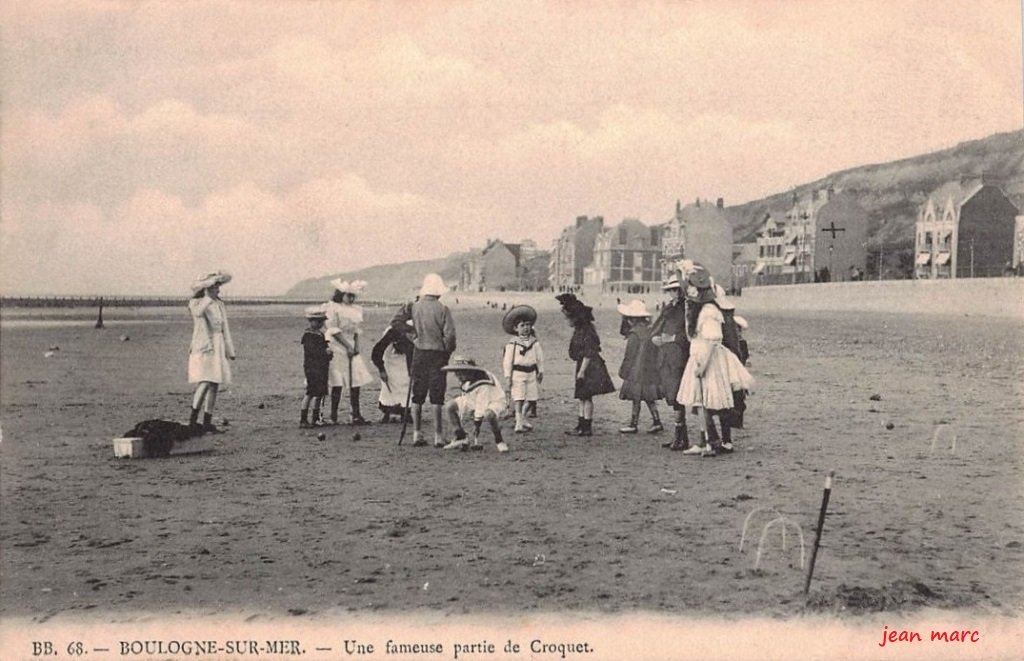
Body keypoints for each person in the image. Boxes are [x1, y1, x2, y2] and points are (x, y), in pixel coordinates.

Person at [676, 272, 755, 456]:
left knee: (709, 400)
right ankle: (707, 441)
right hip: (699, 357)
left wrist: (703, 365)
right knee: (700, 401)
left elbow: (713, 340)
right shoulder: (697, 311)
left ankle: (714, 441)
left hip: (709, 360)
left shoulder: (709, 312)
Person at [409, 273, 457, 447]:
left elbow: (396, 322)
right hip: (438, 355)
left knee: (418, 395)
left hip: (419, 353)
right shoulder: (443, 309)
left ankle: (416, 433)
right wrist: (447, 351)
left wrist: (413, 337)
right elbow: (450, 336)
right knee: (437, 396)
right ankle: (438, 436)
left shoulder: (414, 307)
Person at [187, 271, 236, 435]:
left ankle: (207, 421)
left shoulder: (219, 304)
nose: (219, 290)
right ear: (208, 288)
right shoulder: (196, 302)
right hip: (204, 346)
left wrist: (230, 349)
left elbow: (225, 327)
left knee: (215, 383)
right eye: (216, 286)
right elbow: (198, 313)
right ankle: (192, 420)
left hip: (218, 344)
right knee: (205, 381)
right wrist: (207, 296)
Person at [560, 295, 615, 436]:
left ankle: (586, 426)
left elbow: (589, 352)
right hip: (584, 364)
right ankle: (581, 424)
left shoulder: (586, 331)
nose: (566, 321)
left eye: (568, 318)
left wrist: (582, 371)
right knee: (582, 396)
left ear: (575, 318)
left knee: (587, 396)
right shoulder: (582, 330)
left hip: (589, 366)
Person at [323, 279, 375, 425]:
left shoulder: (356, 309)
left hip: (351, 345)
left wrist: (356, 346)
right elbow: (333, 330)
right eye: (348, 295)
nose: (351, 299)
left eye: (353, 296)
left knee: (355, 381)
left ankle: (355, 414)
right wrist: (347, 346)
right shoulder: (334, 308)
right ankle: (333, 416)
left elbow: (356, 330)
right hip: (338, 346)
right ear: (341, 294)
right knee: (337, 382)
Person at [650, 272, 691, 450]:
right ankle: (680, 437)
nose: (673, 293)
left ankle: (680, 437)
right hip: (665, 356)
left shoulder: (687, 309)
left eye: (675, 290)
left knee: (677, 396)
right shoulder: (667, 308)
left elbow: (690, 334)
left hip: (679, 356)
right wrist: (655, 339)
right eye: (671, 290)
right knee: (672, 395)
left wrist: (672, 338)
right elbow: (655, 328)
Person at [440, 355, 509, 453]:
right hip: (472, 398)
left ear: (470, 371)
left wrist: (476, 426)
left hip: (494, 400)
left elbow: (481, 405)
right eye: (457, 373)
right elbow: (467, 395)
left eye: (461, 373)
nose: (458, 376)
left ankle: (499, 440)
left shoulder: (483, 381)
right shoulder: (467, 379)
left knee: (488, 414)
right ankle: (460, 437)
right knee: (449, 406)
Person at [615, 300, 663, 434]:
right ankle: (657, 421)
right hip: (649, 369)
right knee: (649, 397)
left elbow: (629, 355)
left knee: (636, 398)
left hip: (636, 371)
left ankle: (633, 424)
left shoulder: (634, 334)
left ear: (631, 319)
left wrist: (624, 370)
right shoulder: (651, 330)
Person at [501, 305, 545, 434]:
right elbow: (507, 361)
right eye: (522, 325)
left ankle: (523, 417)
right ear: (515, 328)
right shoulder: (512, 343)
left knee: (532, 398)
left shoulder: (534, 342)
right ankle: (519, 422)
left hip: (531, 373)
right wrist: (508, 376)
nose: (526, 328)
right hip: (518, 374)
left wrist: (540, 371)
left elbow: (539, 358)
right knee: (519, 398)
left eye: (528, 325)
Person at [714, 284, 749, 431]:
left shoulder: (722, 318)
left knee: (727, 395)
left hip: (723, 360)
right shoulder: (728, 318)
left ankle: (728, 428)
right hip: (730, 359)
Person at [370, 319, 414, 423]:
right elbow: (376, 352)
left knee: (406, 384)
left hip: (404, 361)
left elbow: (413, 355)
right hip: (390, 360)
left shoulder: (418, 336)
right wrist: (382, 370)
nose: (412, 336)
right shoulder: (392, 333)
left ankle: (406, 412)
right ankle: (387, 412)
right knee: (389, 386)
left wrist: (412, 371)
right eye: (410, 334)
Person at [300, 306, 332, 428]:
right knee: (310, 393)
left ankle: (315, 418)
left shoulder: (320, 335)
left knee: (319, 394)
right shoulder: (308, 335)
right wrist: (325, 352)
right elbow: (312, 352)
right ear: (311, 321)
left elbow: (323, 349)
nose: (320, 324)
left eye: (321, 321)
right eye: (317, 321)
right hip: (312, 368)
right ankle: (303, 419)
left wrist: (329, 353)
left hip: (321, 367)